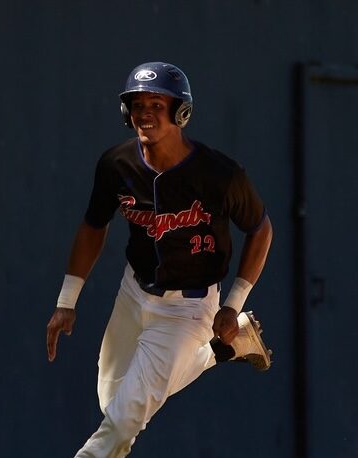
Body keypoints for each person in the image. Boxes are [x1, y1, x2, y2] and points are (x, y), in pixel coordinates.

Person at [45, 61, 273, 458]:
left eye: (156, 103)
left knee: (123, 421)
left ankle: (224, 340)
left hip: (188, 308)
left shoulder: (219, 174)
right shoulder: (117, 164)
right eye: (137, 104)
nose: (145, 113)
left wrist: (233, 301)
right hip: (133, 294)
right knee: (112, 405)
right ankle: (226, 348)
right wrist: (67, 301)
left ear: (181, 111)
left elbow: (260, 229)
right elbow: (93, 226)